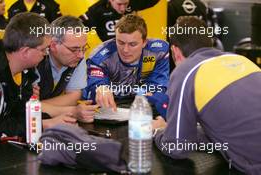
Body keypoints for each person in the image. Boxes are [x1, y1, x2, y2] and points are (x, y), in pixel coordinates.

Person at [152, 16, 261, 174]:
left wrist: (159, 131)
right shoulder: (241, 59)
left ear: (175, 50)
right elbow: (233, 125)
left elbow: (177, 148)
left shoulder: (185, 72)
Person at [0, 12, 77, 138]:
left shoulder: (27, 71)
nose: (46, 54)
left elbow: (22, 114)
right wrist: (44, 124)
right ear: (26, 52)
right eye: (44, 49)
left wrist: (58, 120)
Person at [83, 14, 169, 114]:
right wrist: (100, 88)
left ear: (144, 42)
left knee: (163, 100)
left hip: (142, 105)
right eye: (120, 42)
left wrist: (150, 96)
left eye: (132, 44)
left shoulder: (159, 52)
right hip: (111, 108)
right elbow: (95, 84)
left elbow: (159, 86)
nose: (125, 50)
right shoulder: (100, 57)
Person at [37, 15, 98, 121]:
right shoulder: (36, 58)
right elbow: (23, 109)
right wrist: (72, 111)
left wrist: (39, 106)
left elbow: (74, 96)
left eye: (84, 48)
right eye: (74, 49)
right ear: (53, 45)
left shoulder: (78, 56)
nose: (81, 55)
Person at [79, 0, 160, 42]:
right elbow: (79, 26)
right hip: (111, 52)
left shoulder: (133, 3)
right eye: (119, 4)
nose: (122, 9)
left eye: (125, 4)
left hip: (133, 48)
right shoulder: (97, 10)